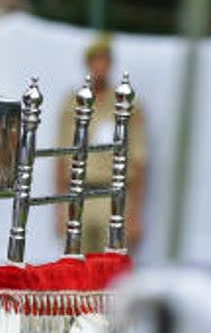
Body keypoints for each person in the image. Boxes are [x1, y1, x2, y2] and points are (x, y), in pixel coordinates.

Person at [55, 34, 148, 254]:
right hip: (80, 194)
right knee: (76, 267)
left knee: (112, 268)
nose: (99, 66)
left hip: (113, 197)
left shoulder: (126, 104)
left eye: (104, 60)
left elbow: (139, 160)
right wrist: (60, 208)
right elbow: (61, 155)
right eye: (94, 60)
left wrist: (135, 212)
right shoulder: (73, 103)